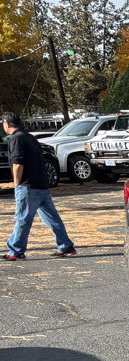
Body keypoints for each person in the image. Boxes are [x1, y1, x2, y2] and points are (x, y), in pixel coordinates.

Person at [3, 111, 76, 261]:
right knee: (52, 218)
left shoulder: (15, 139)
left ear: (6, 124)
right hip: (42, 185)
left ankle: (16, 250)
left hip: (28, 186)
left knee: (23, 218)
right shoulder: (30, 137)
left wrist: (17, 185)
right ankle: (66, 246)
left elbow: (17, 163)